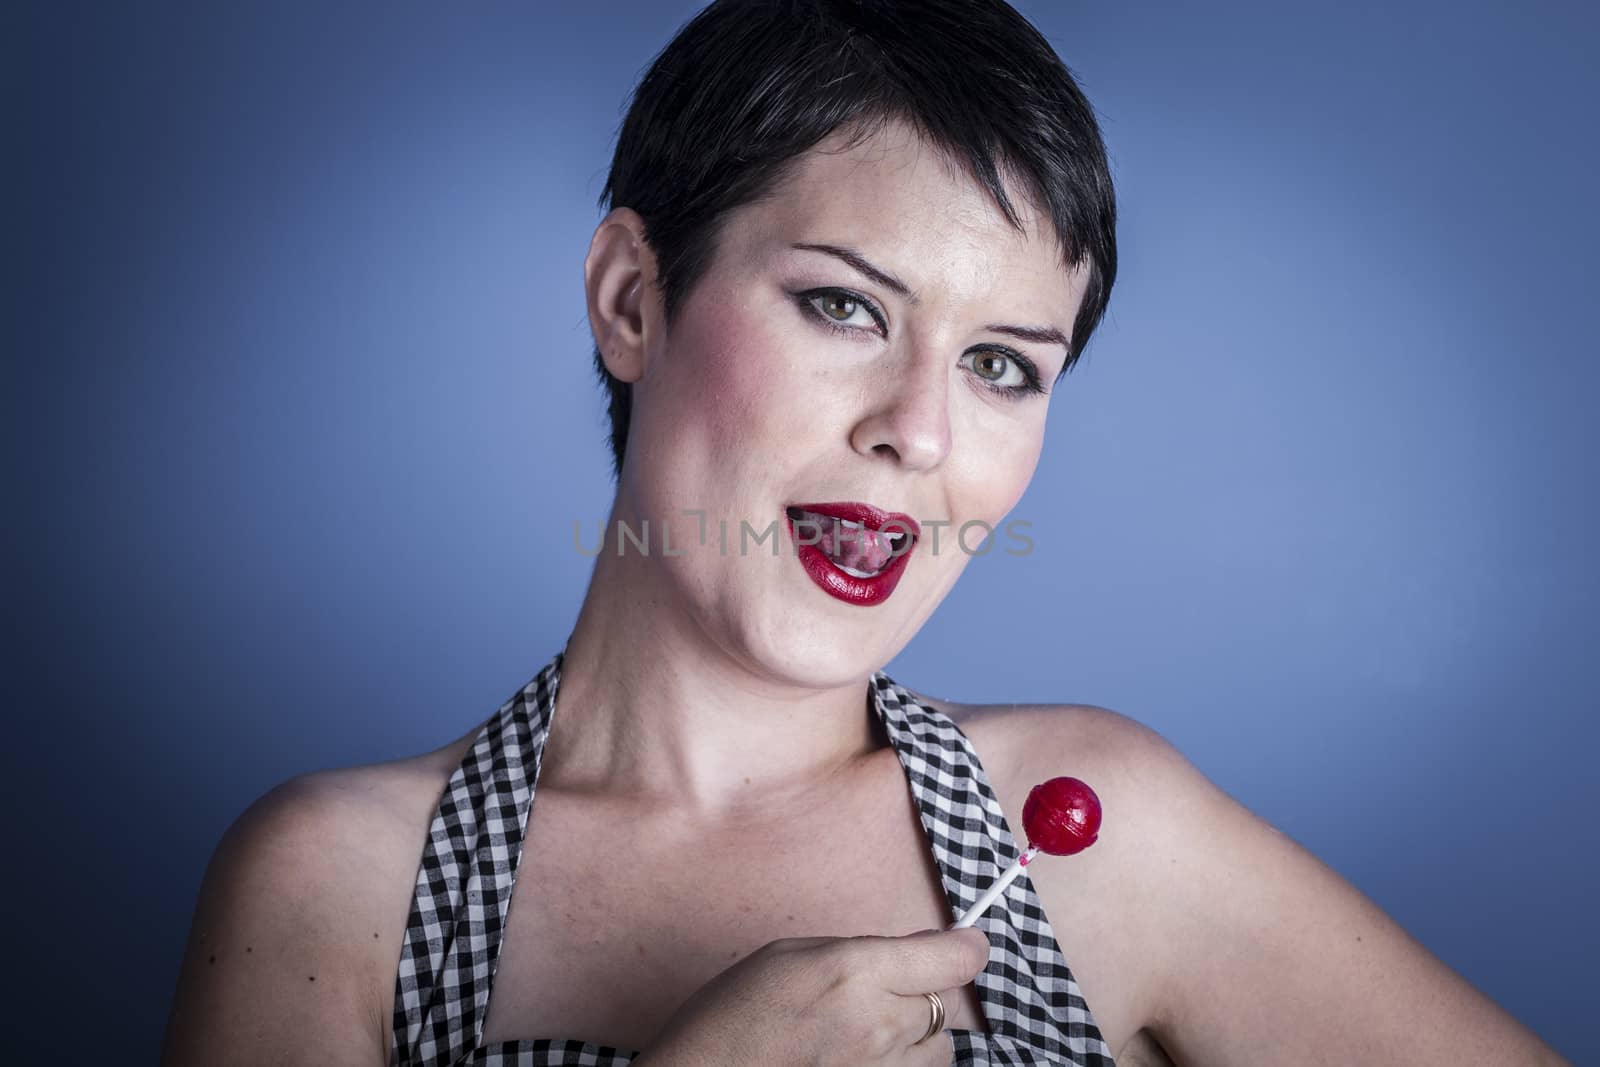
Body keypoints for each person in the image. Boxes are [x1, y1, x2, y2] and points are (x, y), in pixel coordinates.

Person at [160, 1, 1570, 1064]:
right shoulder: (335, 887)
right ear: (632, 301)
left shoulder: (1096, 838)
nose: (923, 430)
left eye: (1004, 364)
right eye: (845, 306)